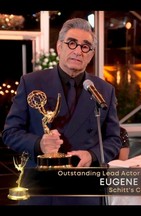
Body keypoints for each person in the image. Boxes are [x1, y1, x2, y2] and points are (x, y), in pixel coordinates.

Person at [2, 18, 122, 205]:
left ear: (91, 54)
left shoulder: (104, 90)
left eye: (85, 46)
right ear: (59, 47)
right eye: (72, 43)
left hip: (83, 192)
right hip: (40, 190)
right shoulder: (31, 82)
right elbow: (10, 133)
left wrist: (93, 155)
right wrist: (39, 144)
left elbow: (114, 139)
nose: (77, 51)